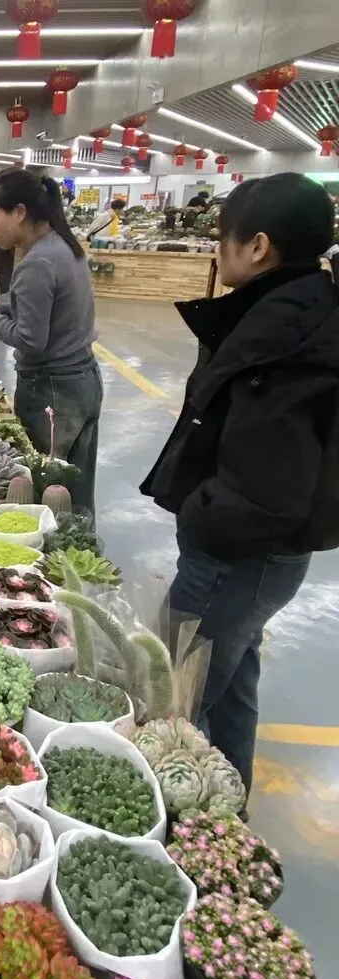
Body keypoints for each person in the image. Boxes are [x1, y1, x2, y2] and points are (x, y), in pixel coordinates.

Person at [141, 172, 339, 792]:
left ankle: (185, 840)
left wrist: (203, 515)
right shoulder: (291, 308)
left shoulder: (286, 332)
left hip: (237, 554)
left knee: (171, 705)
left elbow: (272, 474)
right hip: (251, 555)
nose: (214, 250)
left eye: (222, 238)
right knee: (230, 683)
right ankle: (231, 808)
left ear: (257, 246)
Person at [0, 170, 102, 517]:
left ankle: (49, 556)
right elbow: (50, 305)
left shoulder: (37, 262)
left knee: (45, 484)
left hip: (53, 391)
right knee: (75, 486)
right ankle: (77, 544)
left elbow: (30, 340)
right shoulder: (63, 247)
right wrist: (0, 305)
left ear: (19, 212)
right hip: (81, 380)